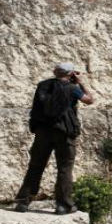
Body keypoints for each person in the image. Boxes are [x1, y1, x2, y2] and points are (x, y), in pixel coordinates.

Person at [15, 63, 95, 214]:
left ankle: (23, 202)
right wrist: (81, 83)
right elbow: (89, 100)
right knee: (65, 168)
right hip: (64, 133)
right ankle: (63, 205)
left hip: (43, 131)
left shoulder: (42, 86)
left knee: (36, 165)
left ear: (55, 72)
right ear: (71, 74)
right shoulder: (73, 89)